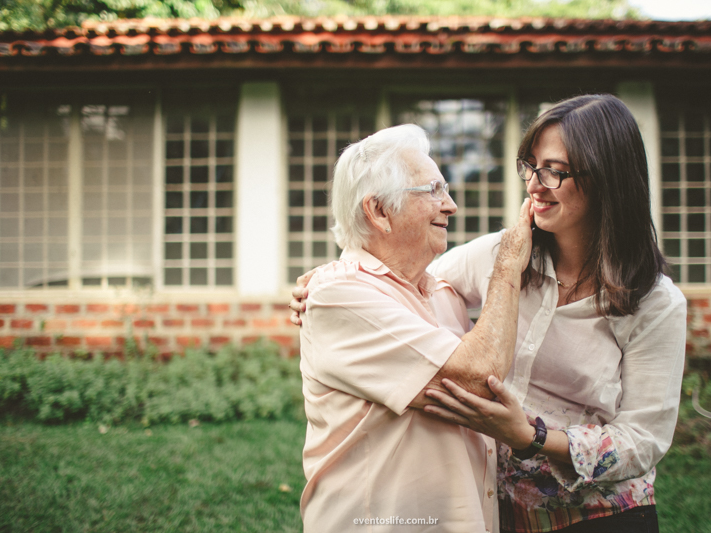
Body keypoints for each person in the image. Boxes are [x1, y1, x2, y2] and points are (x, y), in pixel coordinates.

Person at [292, 94, 687, 533]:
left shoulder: (655, 303)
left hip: (600, 515)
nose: (536, 184)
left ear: (608, 179)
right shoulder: (500, 255)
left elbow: (643, 439)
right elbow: (395, 274)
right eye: (532, 166)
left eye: (555, 170)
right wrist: (331, 275)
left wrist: (534, 439)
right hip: (503, 511)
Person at [298, 123, 533, 533]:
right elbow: (481, 377)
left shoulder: (439, 290)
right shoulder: (339, 296)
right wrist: (510, 261)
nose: (451, 205)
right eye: (433, 191)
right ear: (379, 212)